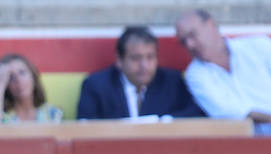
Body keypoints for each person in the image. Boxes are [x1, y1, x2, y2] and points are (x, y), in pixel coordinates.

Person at [175, 9, 271, 136]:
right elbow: (229, 112)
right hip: (244, 153)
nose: (189, 45)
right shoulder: (195, 75)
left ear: (211, 24)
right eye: (184, 41)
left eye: (192, 35)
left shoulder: (260, 46)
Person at [77, 26, 205, 120]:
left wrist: (165, 122)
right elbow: (85, 127)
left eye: (150, 57)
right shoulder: (95, 85)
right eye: (136, 58)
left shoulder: (173, 81)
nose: (144, 65)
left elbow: (195, 113)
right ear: (119, 60)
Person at [0, 53, 63, 124]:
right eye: (10, 77)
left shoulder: (52, 113)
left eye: (22, 72)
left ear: (33, 76)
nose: (18, 80)